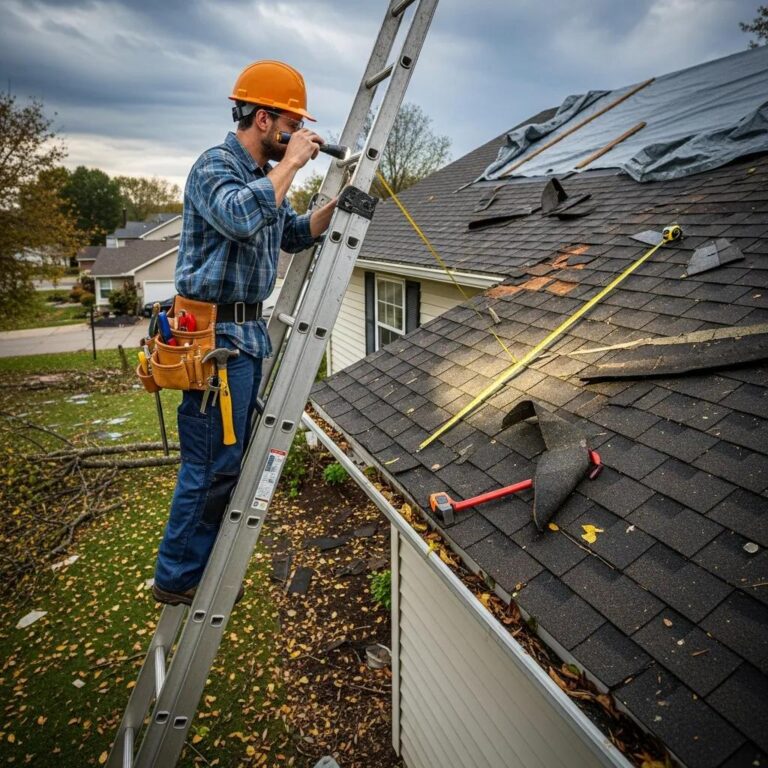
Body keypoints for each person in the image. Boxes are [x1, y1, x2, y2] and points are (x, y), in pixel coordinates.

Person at [152, 60, 337, 606]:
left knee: (228, 460)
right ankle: (178, 575)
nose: (296, 135)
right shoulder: (215, 168)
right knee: (210, 464)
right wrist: (295, 165)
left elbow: (293, 233)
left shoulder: (263, 180)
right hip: (213, 340)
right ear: (263, 118)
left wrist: (336, 208)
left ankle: (194, 562)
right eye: (290, 125)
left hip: (244, 338)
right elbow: (237, 216)